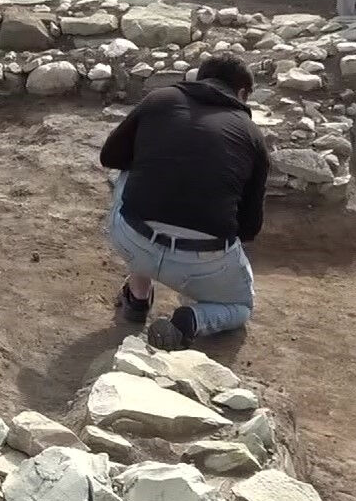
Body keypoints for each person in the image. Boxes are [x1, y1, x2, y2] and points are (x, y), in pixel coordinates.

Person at [98, 54, 269, 351]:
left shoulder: (160, 99)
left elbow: (110, 157)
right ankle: (190, 321)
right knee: (240, 307)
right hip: (201, 262)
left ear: (199, 79)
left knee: (131, 173)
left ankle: (138, 297)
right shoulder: (252, 135)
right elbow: (249, 228)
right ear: (242, 93)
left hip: (133, 240)